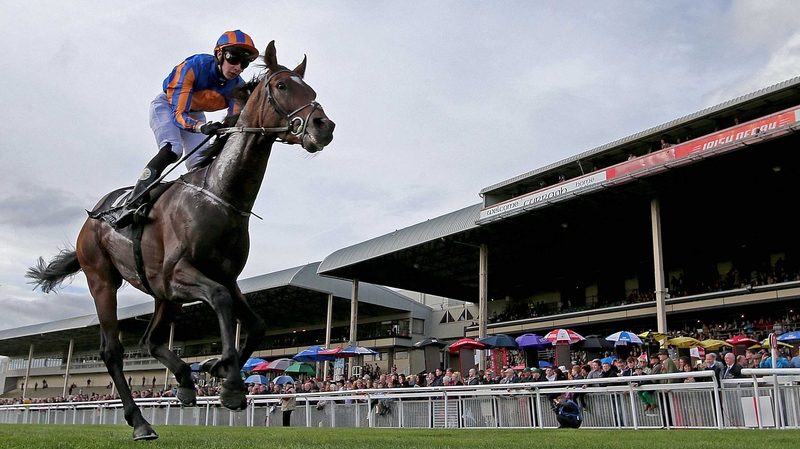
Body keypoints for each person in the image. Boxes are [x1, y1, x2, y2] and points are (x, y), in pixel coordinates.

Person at [115, 30, 259, 228]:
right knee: (172, 149)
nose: (238, 68)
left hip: (196, 114)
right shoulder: (193, 66)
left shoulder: (237, 87)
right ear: (219, 54)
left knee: (201, 165)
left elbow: (231, 126)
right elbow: (179, 114)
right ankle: (134, 201)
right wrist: (202, 127)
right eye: (233, 58)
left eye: (244, 63)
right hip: (168, 106)